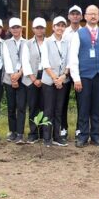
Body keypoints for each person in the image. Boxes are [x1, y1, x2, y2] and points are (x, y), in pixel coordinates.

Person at [68, 5, 99, 147]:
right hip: (84, 76)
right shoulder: (79, 34)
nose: (93, 16)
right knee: (83, 107)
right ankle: (82, 136)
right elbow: (73, 57)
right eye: (90, 14)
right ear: (85, 16)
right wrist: (76, 78)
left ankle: (96, 136)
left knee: (96, 107)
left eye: (95, 14)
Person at [42, 16, 71, 147]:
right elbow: (45, 63)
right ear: (53, 27)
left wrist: (63, 76)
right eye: (57, 25)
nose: (60, 28)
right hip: (49, 81)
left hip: (62, 81)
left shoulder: (67, 42)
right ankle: (47, 137)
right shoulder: (46, 42)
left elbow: (70, 61)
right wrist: (55, 78)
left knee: (59, 110)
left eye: (62, 26)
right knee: (48, 109)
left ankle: (57, 136)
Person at [23, 17, 48, 144]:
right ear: (33, 29)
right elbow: (25, 62)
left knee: (44, 106)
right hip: (31, 77)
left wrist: (43, 78)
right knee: (33, 106)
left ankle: (43, 132)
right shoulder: (27, 44)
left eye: (41, 28)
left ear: (45, 29)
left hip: (46, 76)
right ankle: (33, 133)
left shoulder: (49, 42)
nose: (39, 30)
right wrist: (33, 79)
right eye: (37, 27)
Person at [61, 5, 83, 139]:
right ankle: (63, 128)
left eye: (77, 14)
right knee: (62, 102)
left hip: (80, 72)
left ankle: (79, 129)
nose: (75, 16)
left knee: (81, 102)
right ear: (68, 16)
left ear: (81, 16)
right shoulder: (63, 32)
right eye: (72, 14)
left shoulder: (84, 32)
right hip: (64, 72)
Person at [4, 18, 28, 143]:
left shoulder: (27, 42)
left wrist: (19, 74)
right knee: (11, 106)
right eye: (13, 27)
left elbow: (27, 60)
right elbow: (6, 60)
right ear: (10, 29)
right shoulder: (6, 43)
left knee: (21, 106)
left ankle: (20, 133)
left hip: (23, 79)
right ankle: (12, 131)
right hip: (9, 79)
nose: (16, 29)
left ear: (21, 28)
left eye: (18, 27)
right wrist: (13, 76)